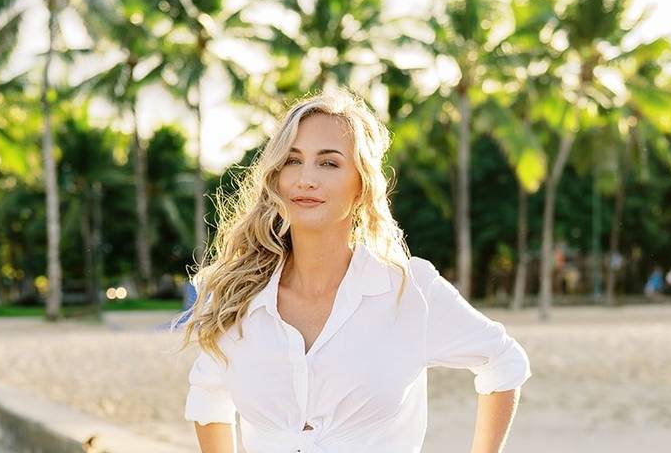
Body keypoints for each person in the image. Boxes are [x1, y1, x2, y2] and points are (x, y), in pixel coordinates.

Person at [172, 88, 532, 453]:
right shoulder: (238, 296)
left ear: (361, 184)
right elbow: (208, 398)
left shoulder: (410, 291)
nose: (305, 179)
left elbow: (503, 362)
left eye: (328, 163)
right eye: (292, 161)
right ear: (276, 177)